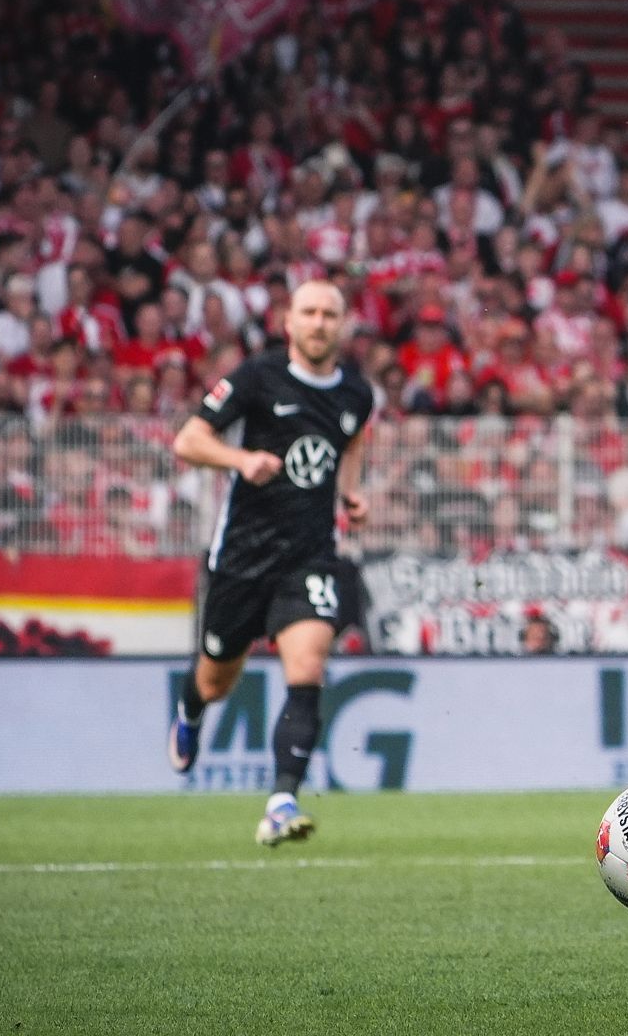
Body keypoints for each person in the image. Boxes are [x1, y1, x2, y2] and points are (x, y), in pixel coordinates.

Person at [166, 280, 375, 846]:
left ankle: (282, 800)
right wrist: (239, 459)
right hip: (239, 561)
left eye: (329, 314)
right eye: (308, 312)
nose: (318, 322)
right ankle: (190, 711)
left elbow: (353, 441)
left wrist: (351, 494)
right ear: (289, 322)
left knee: (307, 668)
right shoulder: (257, 377)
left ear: (343, 324)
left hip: (309, 559)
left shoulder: (357, 393)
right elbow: (188, 440)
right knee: (215, 681)